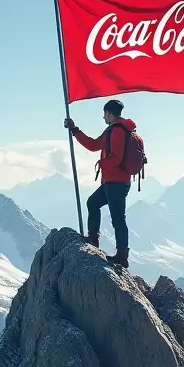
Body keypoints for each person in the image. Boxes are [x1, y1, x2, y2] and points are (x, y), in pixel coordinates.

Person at [64, 98, 136, 268]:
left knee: (118, 218)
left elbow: (108, 153)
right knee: (93, 203)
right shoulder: (122, 130)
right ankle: (94, 240)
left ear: (109, 114)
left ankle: (121, 256)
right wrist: (75, 130)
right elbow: (95, 145)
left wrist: (102, 164)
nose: (103, 118)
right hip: (117, 181)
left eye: (104, 114)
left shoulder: (115, 131)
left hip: (114, 182)